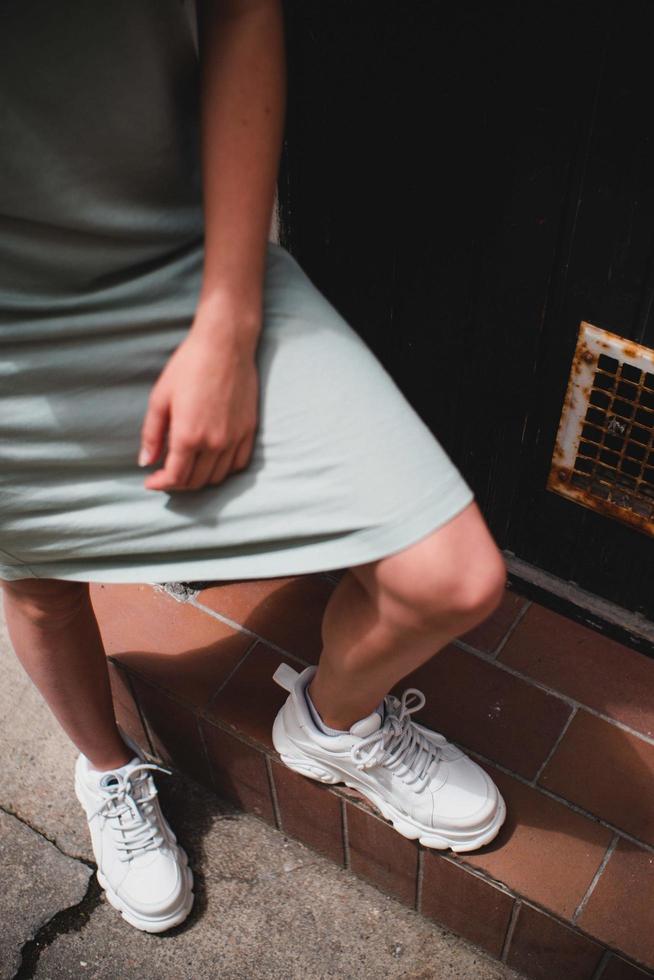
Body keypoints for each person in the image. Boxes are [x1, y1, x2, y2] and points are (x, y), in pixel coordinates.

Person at [0, 0, 507, 935]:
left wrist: (228, 321)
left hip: (183, 256)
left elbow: (243, 11)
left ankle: (331, 722)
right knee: (36, 581)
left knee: (452, 575)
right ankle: (107, 769)